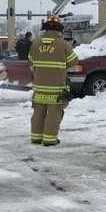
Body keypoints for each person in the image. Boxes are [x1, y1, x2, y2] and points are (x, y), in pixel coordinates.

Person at [28, 17, 78, 146]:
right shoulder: (63, 44)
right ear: (59, 31)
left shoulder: (35, 43)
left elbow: (31, 60)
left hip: (39, 86)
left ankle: (36, 137)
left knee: (38, 112)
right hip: (56, 87)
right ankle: (50, 140)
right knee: (54, 113)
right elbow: (74, 61)